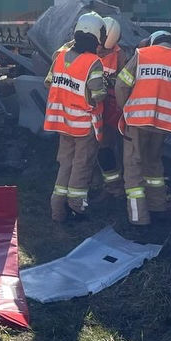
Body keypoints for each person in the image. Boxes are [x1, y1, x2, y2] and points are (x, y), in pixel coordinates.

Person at [114, 30, 171, 225]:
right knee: (154, 165)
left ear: (153, 42)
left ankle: (138, 218)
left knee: (133, 168)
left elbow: (121, 85)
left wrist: (125, 107)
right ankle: (157, 207)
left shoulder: (143, 55)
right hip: (164, 125)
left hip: (136, 121)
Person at [44, 12, 108, 221]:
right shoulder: (94, 62)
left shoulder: (60, 56)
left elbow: (49, 82)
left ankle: (57, 209)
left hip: (62, 122)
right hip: (83, 125)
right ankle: (76, 208)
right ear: (97, 36)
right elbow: (97, 94)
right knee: (81, 165)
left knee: (65, 164)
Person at [96, 16, 129, 197]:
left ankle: (113, 185)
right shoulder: (82, 47)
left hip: (108, 108)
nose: (101, 52)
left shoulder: (119, 55)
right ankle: (96, 181)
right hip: (90, 106)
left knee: (105, 146)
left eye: (105, 49)